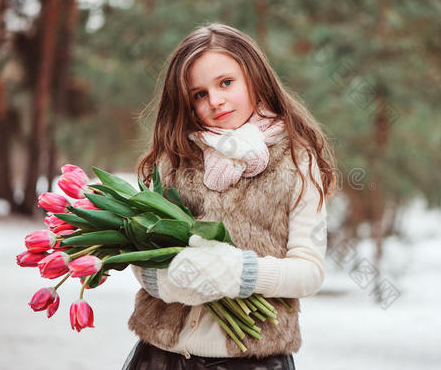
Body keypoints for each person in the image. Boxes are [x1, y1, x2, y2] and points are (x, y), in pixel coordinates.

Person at [122, 22, 337, 370]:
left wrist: (240, 273)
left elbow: (309, 272)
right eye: (199, 94)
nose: (215, 100)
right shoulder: (175, 158)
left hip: (249, 362)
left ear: (254, 77)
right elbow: (141, 256)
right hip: (160, 358)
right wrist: (172, 282)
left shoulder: (296, 161)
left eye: (225, 83)